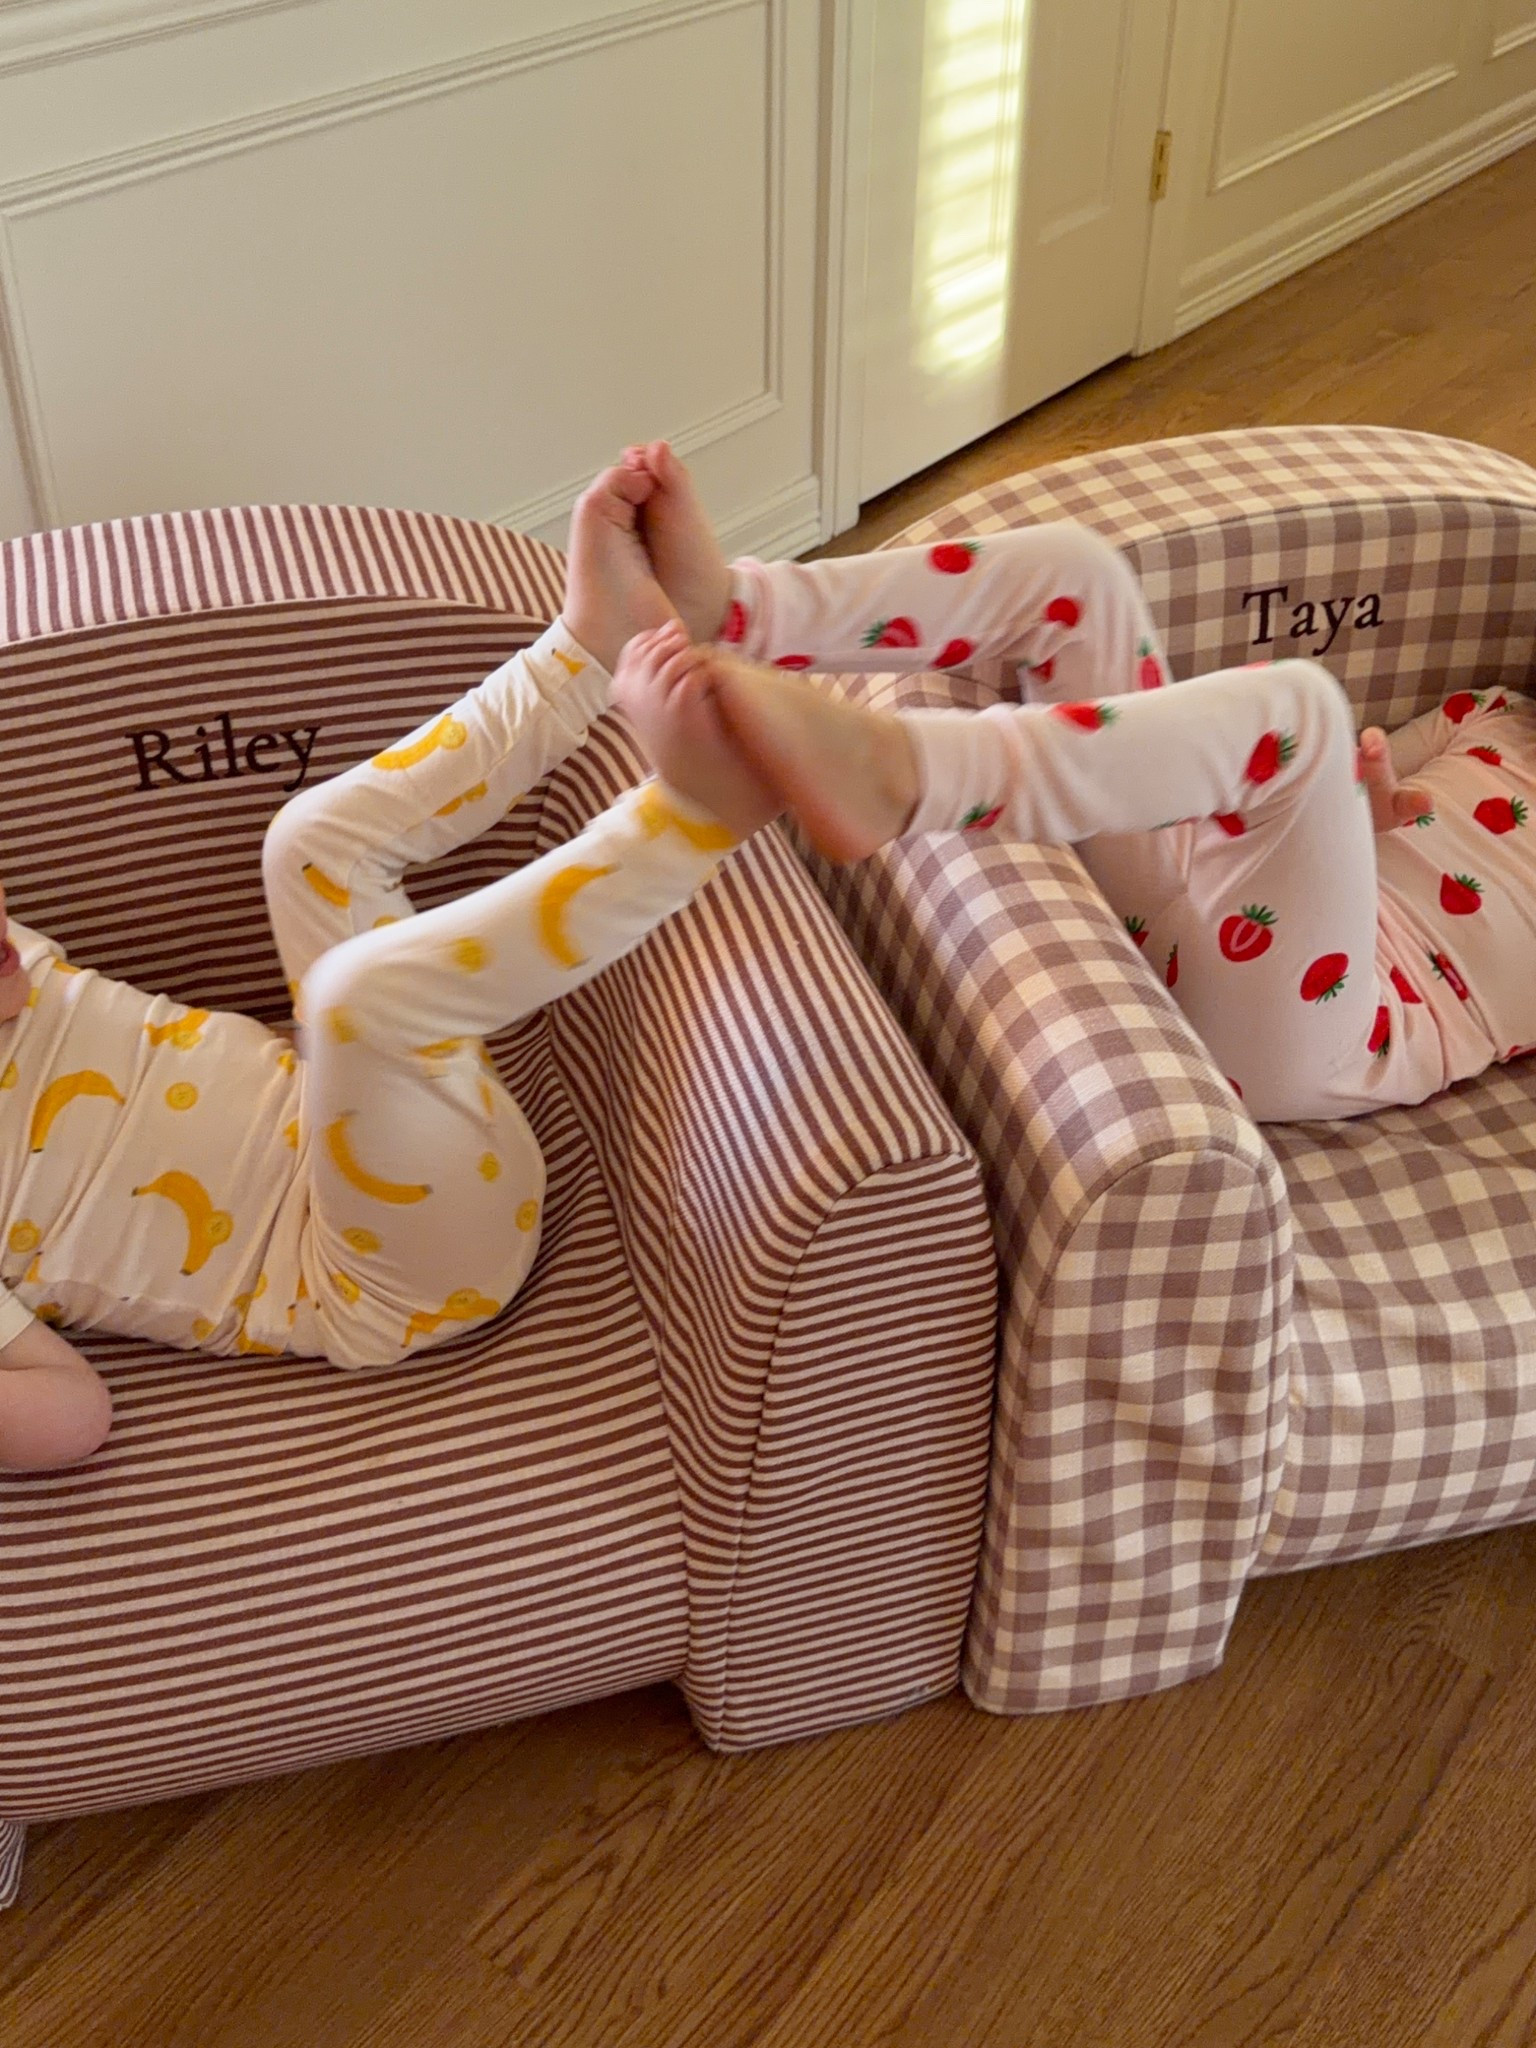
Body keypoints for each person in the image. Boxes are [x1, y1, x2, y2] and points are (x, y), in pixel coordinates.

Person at [0, 462, 779, 1472]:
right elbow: (71, 1415)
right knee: (359, 999)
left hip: (387, 1120)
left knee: (310, 846)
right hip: (387, 1272)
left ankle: (584, 650)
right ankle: (694, 817)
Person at [608, 440, 1536, 1136]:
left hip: (1328, 1028)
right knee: (1075, 570)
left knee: (1300, 712)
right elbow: (1367, 814)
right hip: (1208, 901)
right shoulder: (1486, 713)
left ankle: (902, 776)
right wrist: (1367, 795)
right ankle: (736, 609)